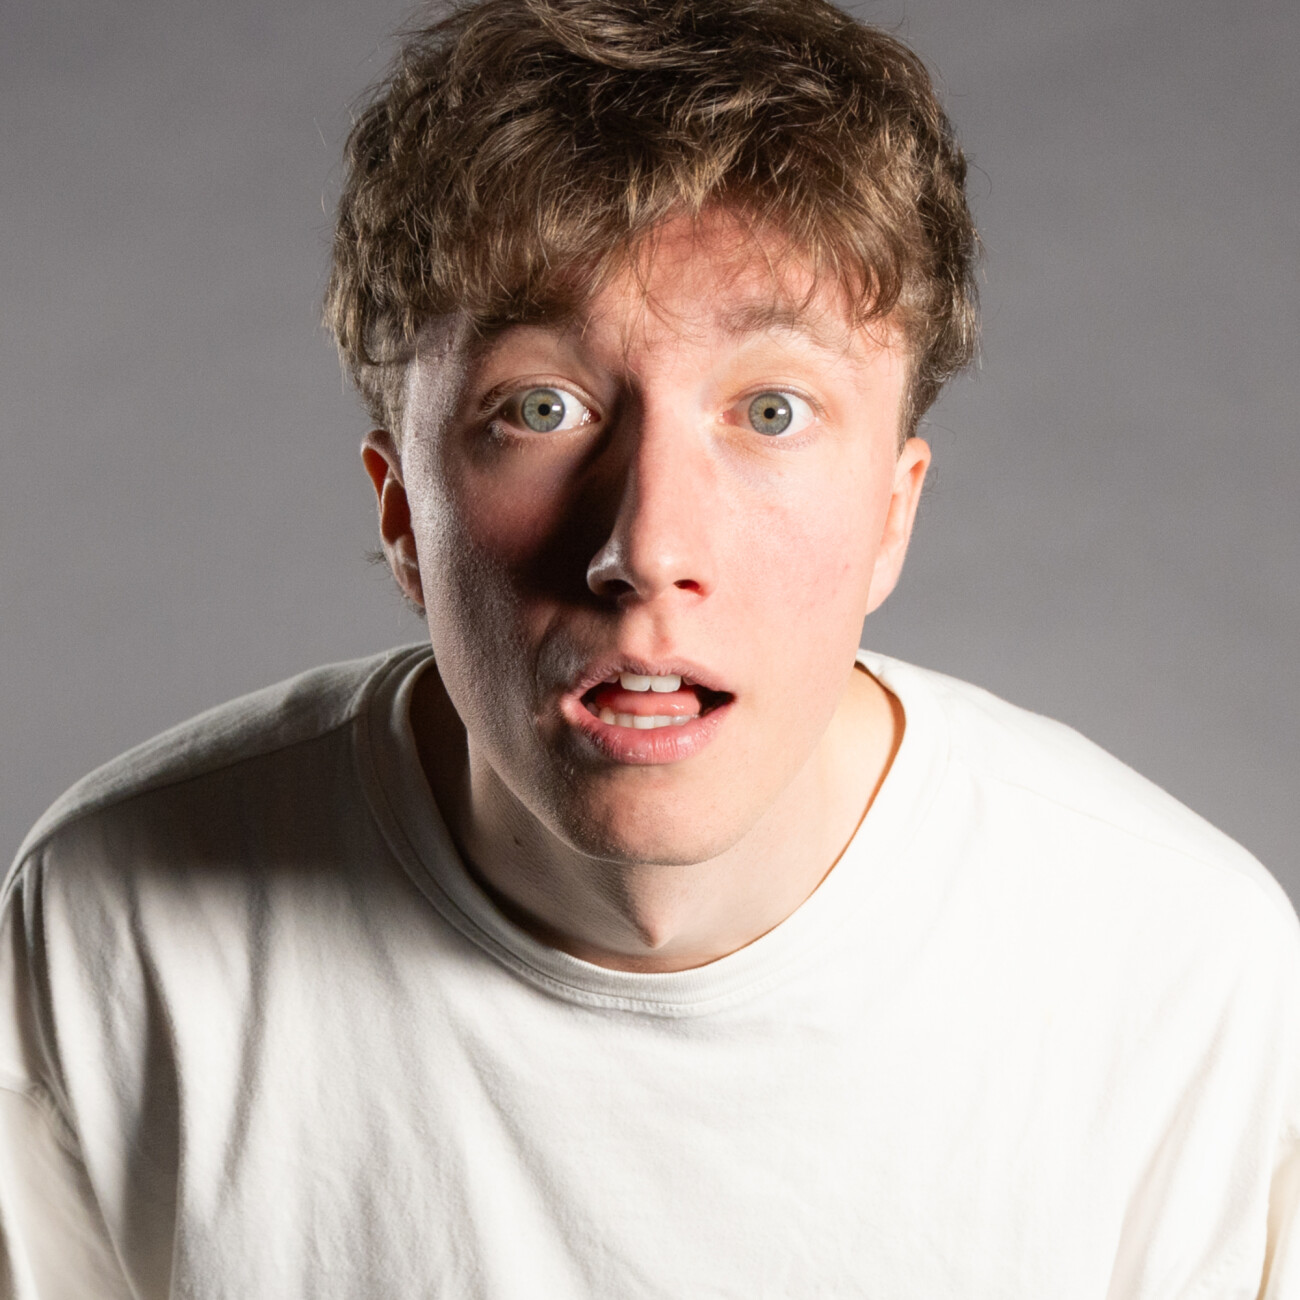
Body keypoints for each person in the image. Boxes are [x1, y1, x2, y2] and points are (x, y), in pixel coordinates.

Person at [2, 0, 1297, 1293]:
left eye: (771, 410)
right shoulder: (111, 925)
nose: (646, 544)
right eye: (541, 407)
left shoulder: (1186, 983)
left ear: (892, 512)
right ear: (402, 515)